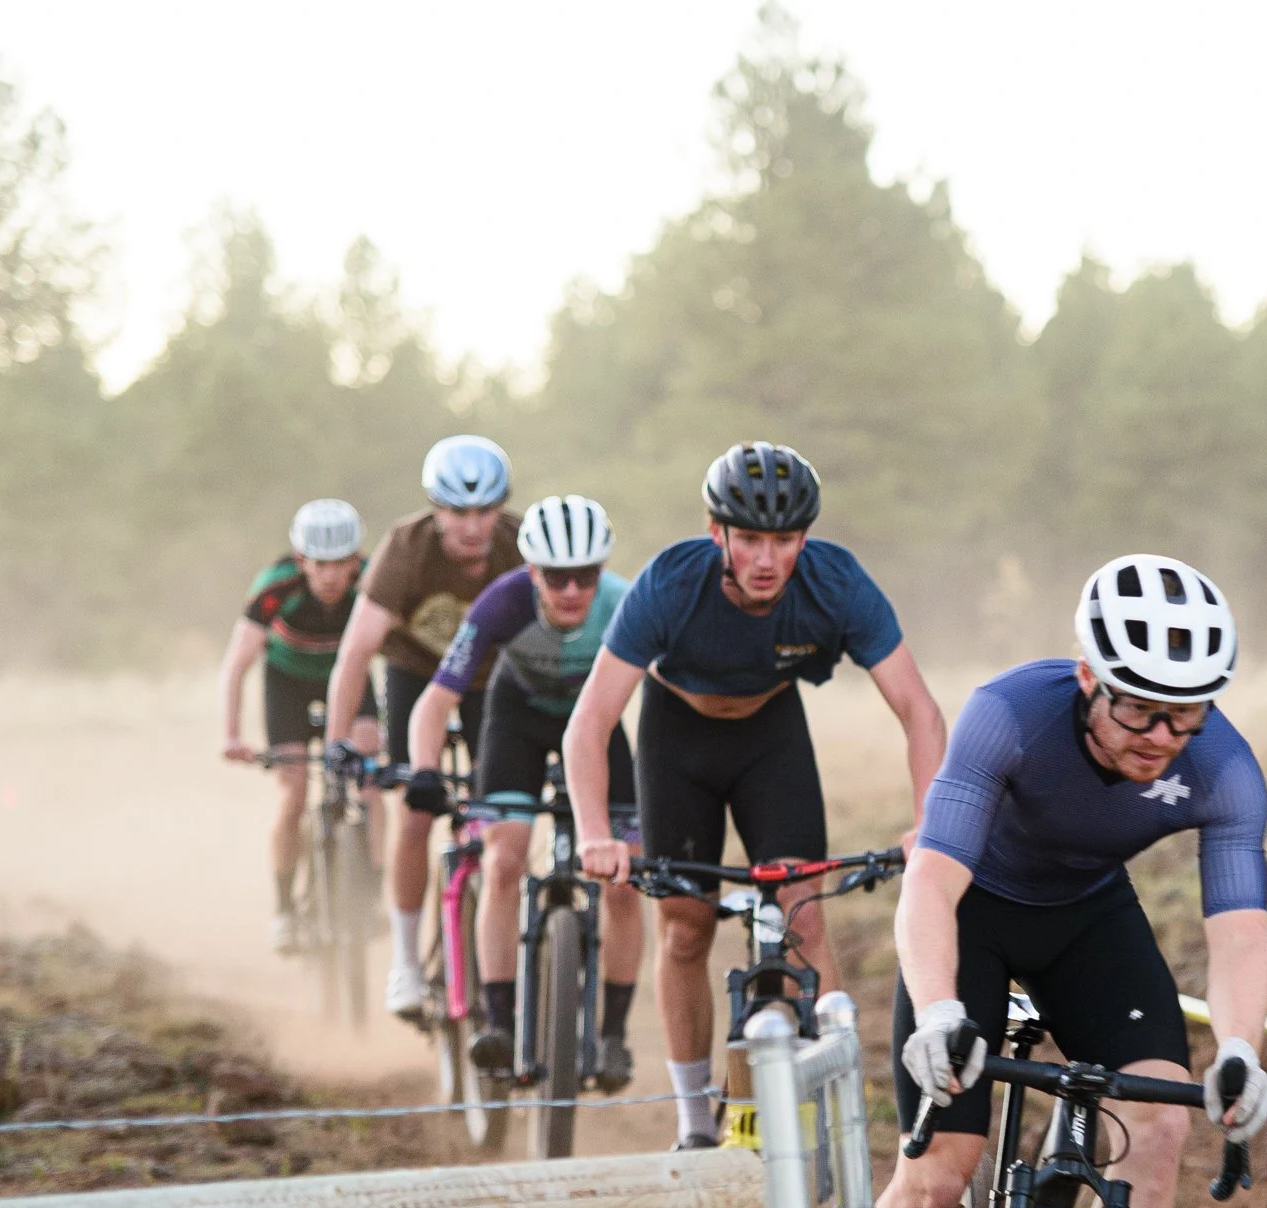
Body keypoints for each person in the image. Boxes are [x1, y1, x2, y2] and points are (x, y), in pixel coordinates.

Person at [870, 554, 1267, 1208]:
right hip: (972, 914)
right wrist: (938, 1011)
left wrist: (1241, 1049)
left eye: (1187, 713)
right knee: (941, 1171)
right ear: (1090, 678)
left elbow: (1241, 931)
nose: (1163, 736)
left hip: (1088, 920)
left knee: (1161, 1123)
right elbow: (931, 881)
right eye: (1140, 710)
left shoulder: (1224, 767)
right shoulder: (1010, 714)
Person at [567, 441, 947, 1148]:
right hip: (677, 737)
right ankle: (693, 1125)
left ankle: (842, 1120)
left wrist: (931, 824)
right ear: (717, 533)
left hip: (770, 733)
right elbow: (589, 721)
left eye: (785, 540)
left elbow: (919, 710)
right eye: (749, 539)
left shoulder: (836, 582)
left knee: (803, 914)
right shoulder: (670, 584)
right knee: (686, 926)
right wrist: (595, 832)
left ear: (806, 538)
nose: (767, 559)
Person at [403, 495, 647, 1086]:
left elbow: (672, 694)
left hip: (596, 726)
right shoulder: (501, 602)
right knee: (504, 858)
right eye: (556, 577)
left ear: (602, 570)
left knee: (624, 879)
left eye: (585, 575)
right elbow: (436, 700)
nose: (572, 590)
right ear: (532, 571)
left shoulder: (624, 604)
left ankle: (613, 1035)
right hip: (517, 720)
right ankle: (500, 1022)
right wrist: (425, 770)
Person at [323, 435, 521, 1018]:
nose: (473, 526)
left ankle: (499, 948)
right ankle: (406, 963)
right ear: (436, 510)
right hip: (416, 671)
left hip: (490, 680)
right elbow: (356, 652)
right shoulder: (406, 549)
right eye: (459, 512)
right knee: (415, 813)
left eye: (485, 511)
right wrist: (337, 741)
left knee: (502, 818)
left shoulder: (518, 545)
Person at [219, 498, 383, 953]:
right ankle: (284, 909)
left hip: (348, 682)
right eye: (319, 564)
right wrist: (231, 735)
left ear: (356, 560)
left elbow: (400, 651)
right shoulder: (276, 587)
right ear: (300, 560)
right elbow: (237, 663)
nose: (329, 576)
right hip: (287, 683)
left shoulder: (374, 583)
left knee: (370, 782)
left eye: (340, 563)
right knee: (292, 793)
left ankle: (373, 893)